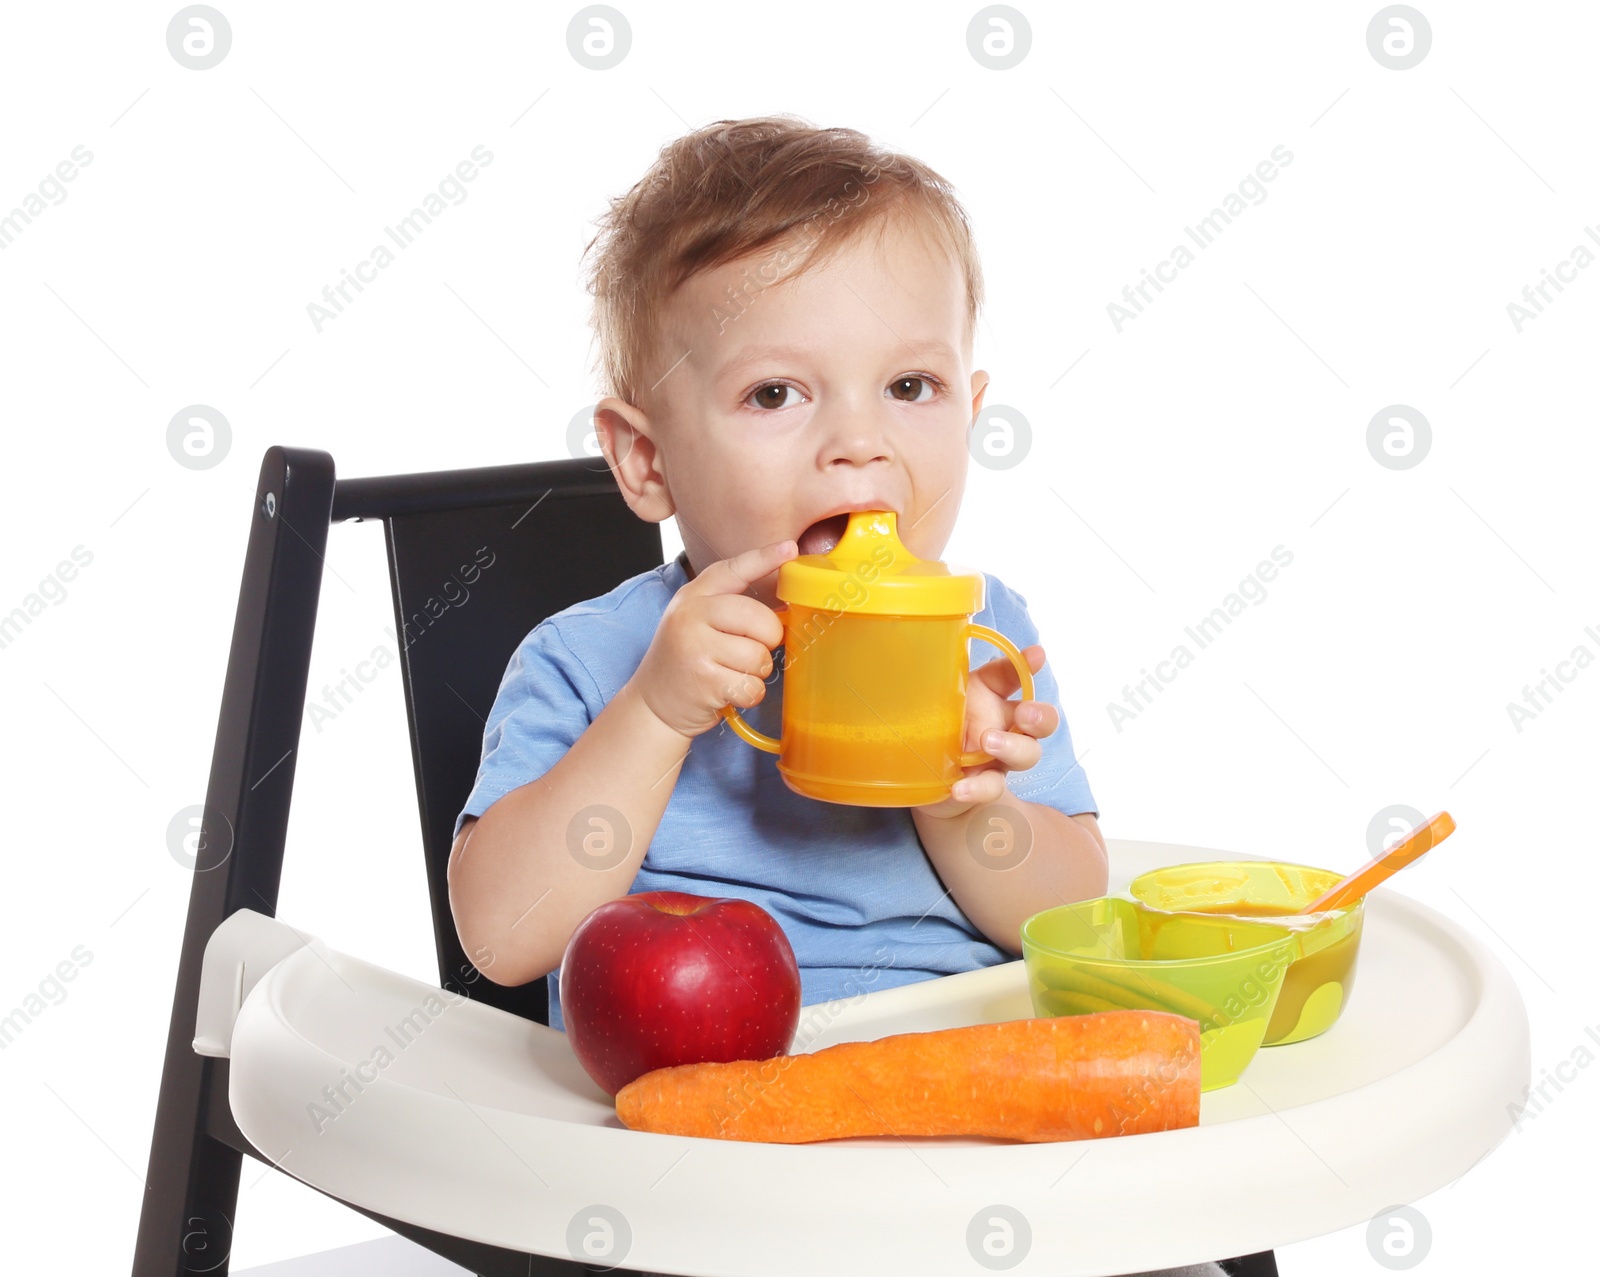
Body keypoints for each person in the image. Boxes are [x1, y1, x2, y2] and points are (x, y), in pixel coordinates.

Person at [446, 114, 1259, 1277]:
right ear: (646, 459)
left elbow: (1061, 913)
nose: (858, 442)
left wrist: (957, 787)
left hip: (965, 1109)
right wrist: (656, 713)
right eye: (777, 393)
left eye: (910, 385)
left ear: (971, 407)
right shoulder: (593, 658)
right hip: (698, 1153)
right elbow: (504, 936)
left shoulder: (983, 636)